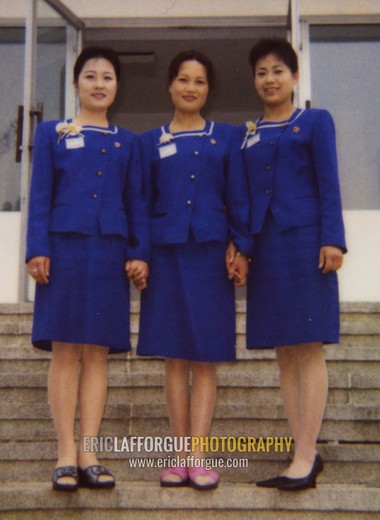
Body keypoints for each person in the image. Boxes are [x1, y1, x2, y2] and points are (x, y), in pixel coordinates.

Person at [26, 46, 149, 492]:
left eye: (108, 77)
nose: (99, 84)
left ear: (117, 86)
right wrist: (37, 247)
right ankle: (64, 454)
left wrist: (138, 252)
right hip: (62, 248)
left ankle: (89, 453)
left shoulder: (128, 141)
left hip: (109, 252)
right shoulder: (52, 133)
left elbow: (136, 199)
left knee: (96, 352)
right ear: (76, 84)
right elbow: (40, 193)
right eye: (91, 76)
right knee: (65, 350)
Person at [137, 50, 252, 490]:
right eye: (183, 79)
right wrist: (141, 254)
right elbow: (141, 203)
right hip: (165, 258)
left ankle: (198, 455)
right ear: (170, 85)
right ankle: (176, 454)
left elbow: (239, 197)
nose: (191, 88)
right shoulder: (149, 142)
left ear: (209, 89)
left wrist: (241, 247)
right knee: (174, 357)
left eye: (199, 82)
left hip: (210, 258)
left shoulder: (227, 137)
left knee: (205, 358)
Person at [236, 38, 346, 491]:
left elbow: (329, 183)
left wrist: (332, 239)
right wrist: (242, 247)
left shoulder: (315, 121)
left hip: (305, 245)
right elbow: (242, 195)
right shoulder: (249, 133)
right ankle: (300, 450)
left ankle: (306, 453)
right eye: (261, 72)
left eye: (278, 70)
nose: (269, 79)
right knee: (284, 351)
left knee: (308, 345)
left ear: (295, 77)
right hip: (266, 249)